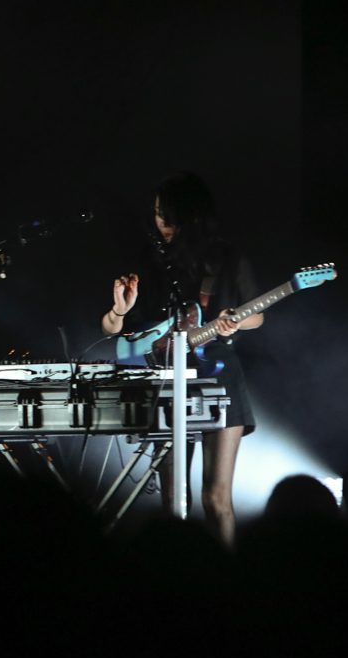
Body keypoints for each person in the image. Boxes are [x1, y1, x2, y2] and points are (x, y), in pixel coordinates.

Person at [101, 172, 262, 547]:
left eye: (168, 214)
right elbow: (112, 331)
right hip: (165, 380)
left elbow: (257, 317)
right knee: (174, 500)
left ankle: (227, 573)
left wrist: (234, 320)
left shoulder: (226, 257)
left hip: (220, 377)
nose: (161, 222)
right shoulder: (148, 260)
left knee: (216, 498)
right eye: (157, 213)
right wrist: (119, 309)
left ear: (191, 215)